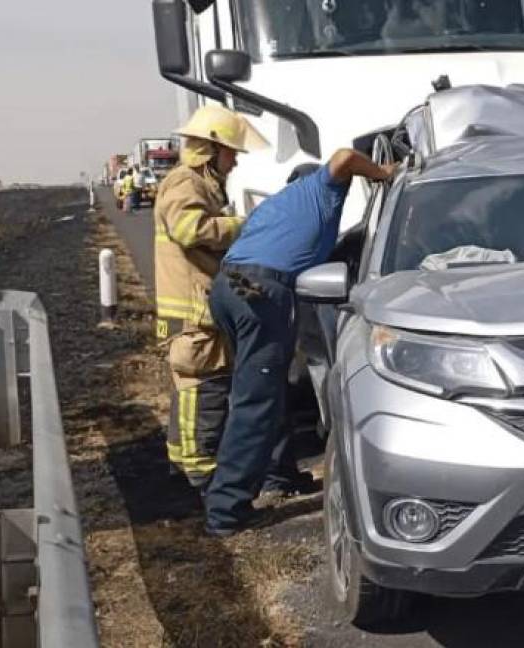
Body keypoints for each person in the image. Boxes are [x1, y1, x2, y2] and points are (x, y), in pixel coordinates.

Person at [203, 148, 397, 537]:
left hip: (228, 288)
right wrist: (381, 172)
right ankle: (225, 511)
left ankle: (279, 476)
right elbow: (343, 159)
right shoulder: (322, 188)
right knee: (254, 401)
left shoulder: (277, 206)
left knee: (265, 388)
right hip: (261, 294)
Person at [153, 104, 269, 492]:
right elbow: (190, 229)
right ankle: (204, 479)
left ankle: (180, 473)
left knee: (190, 392)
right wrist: (244, 226)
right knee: (205, 391)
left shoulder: (198, 184)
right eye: (231, 152)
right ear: (211, 149)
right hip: (192, 315)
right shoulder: (185, 183)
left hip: (191, 312)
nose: (234, 160)